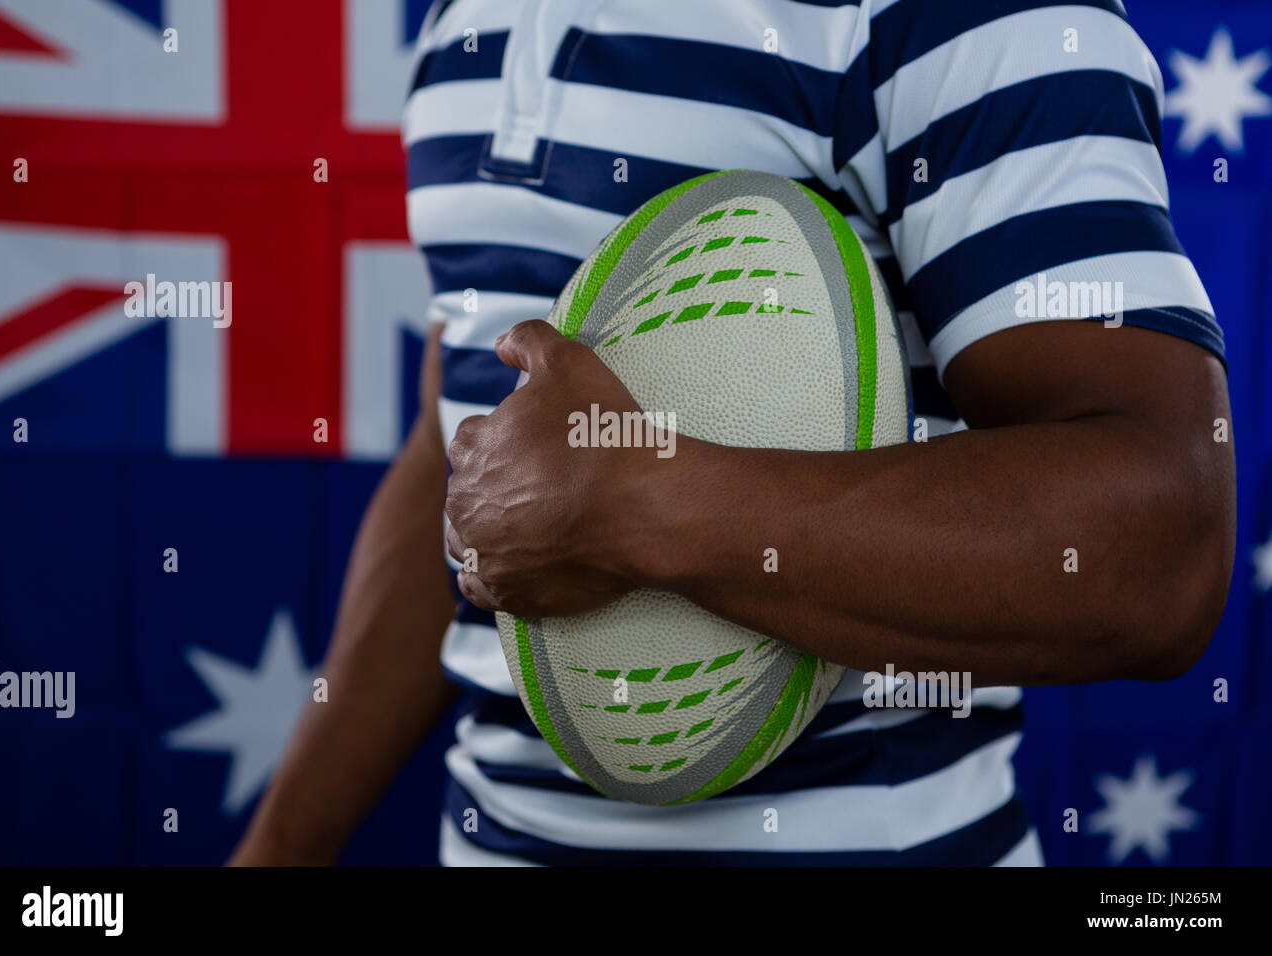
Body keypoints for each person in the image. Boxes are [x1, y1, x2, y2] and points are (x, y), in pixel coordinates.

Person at [230, 0, 1234, 866]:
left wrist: (646, 502)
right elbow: (467, 453)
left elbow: (1161, 542)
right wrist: (281, 848)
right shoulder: (464, 18)